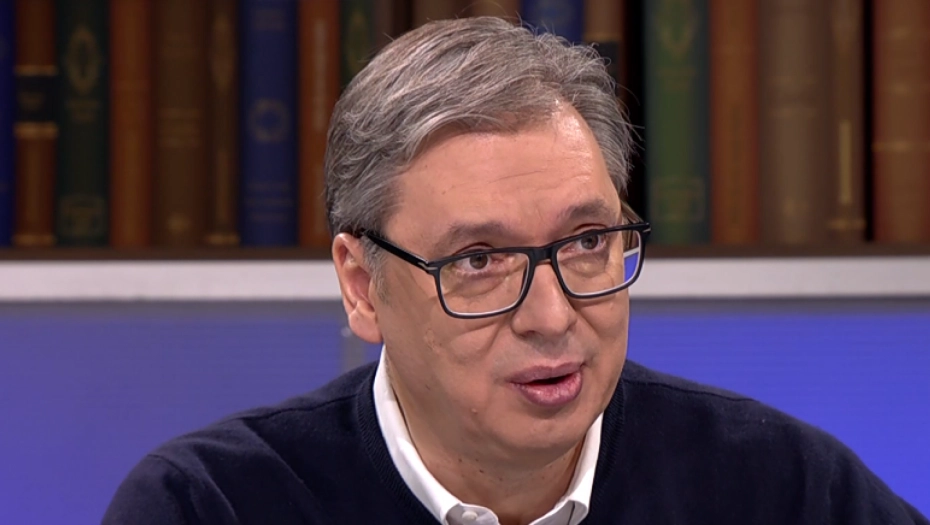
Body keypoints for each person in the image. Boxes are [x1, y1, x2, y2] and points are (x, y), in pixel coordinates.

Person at [102, 16, 928, 525]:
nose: (552, 315)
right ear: (362, 286)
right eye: (480, 260)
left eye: (587, 241)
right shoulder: (211, 505)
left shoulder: (783, 489)